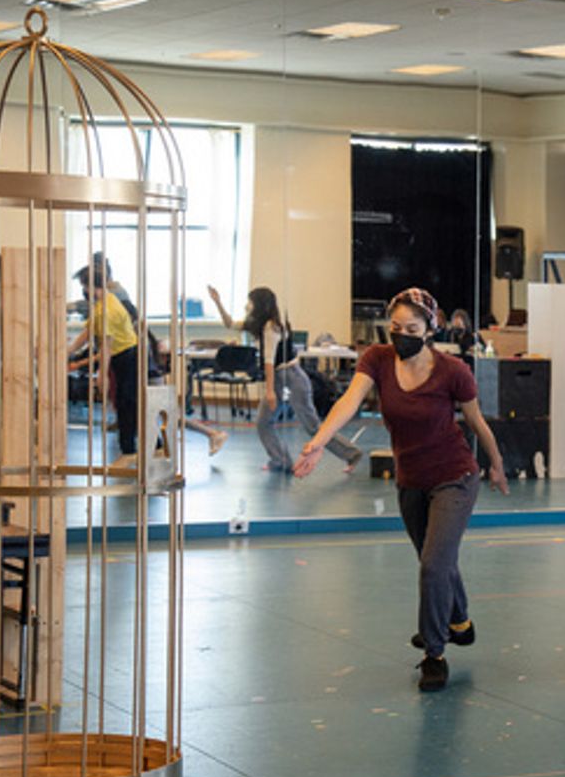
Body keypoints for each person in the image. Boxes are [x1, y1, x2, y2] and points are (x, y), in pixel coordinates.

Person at [295, 288, 508, 692]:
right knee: (438, 560)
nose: (401, 335)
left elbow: (478, 423)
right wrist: (319, 441)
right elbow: (349, 402)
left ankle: (434, 653)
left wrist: (496, 465)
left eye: (411, 328)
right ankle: (459, 622)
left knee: (433, 564)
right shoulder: (377, 359)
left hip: (456, 477)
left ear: (430, 329)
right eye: (395, 327)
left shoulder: (453, 371)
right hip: (411, 479)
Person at [209, 284, 362, 474]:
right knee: (263, 422)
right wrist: (218, 302)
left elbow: (269, 361)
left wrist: (270, 391)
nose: (247, 306)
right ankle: (280, 460)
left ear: (259, 304)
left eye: (250, 302)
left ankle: (352, 454)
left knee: (313, 426)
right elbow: (229, 324)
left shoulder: (271, 327)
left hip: (292, 376)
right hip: (279, 378)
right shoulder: (256, 324)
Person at [67, 264, 141, 456]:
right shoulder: (102, 303)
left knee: (127, 403)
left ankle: (129, 450)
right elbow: (89, 331)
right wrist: (67, 351)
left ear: (89, 286)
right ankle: (153, 444)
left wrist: (102, 375)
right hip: (121, 355)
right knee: (127, 402)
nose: (84, 291)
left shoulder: (106, 309)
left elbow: (106, 345)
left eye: (84, 286)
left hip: (127, 356)